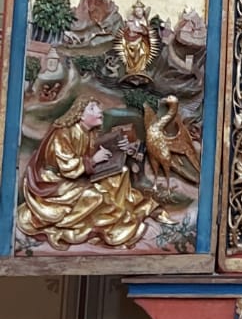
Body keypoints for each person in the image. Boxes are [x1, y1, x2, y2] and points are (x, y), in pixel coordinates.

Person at [17, 97, 159, 251]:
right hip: (56, 183)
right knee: (94, 197)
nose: (99, 112)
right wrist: (93, 160)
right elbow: (67, 166)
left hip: (79, 176)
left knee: (121, 173)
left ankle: (118, 215)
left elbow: (97, 151)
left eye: (98, 108)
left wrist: (120, 147)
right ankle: (100, 226)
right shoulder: (63, 133)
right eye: (92, 108)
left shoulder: (89, 133)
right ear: (79, 114)